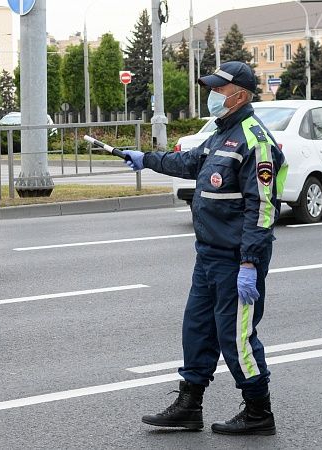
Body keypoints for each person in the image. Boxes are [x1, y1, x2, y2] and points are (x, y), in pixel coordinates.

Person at [121, 61, 288, 435]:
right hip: (209, 255)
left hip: (236, 259)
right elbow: (189, 162)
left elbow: (262, 208)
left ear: (240, 96)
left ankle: (259, 411)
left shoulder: (254, 140)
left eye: (218, 90)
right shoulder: (221, 133)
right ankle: (189, 405)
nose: (211, 96)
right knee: (197, 330)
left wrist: (249, 262)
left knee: (236, 337)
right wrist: (145, 159)